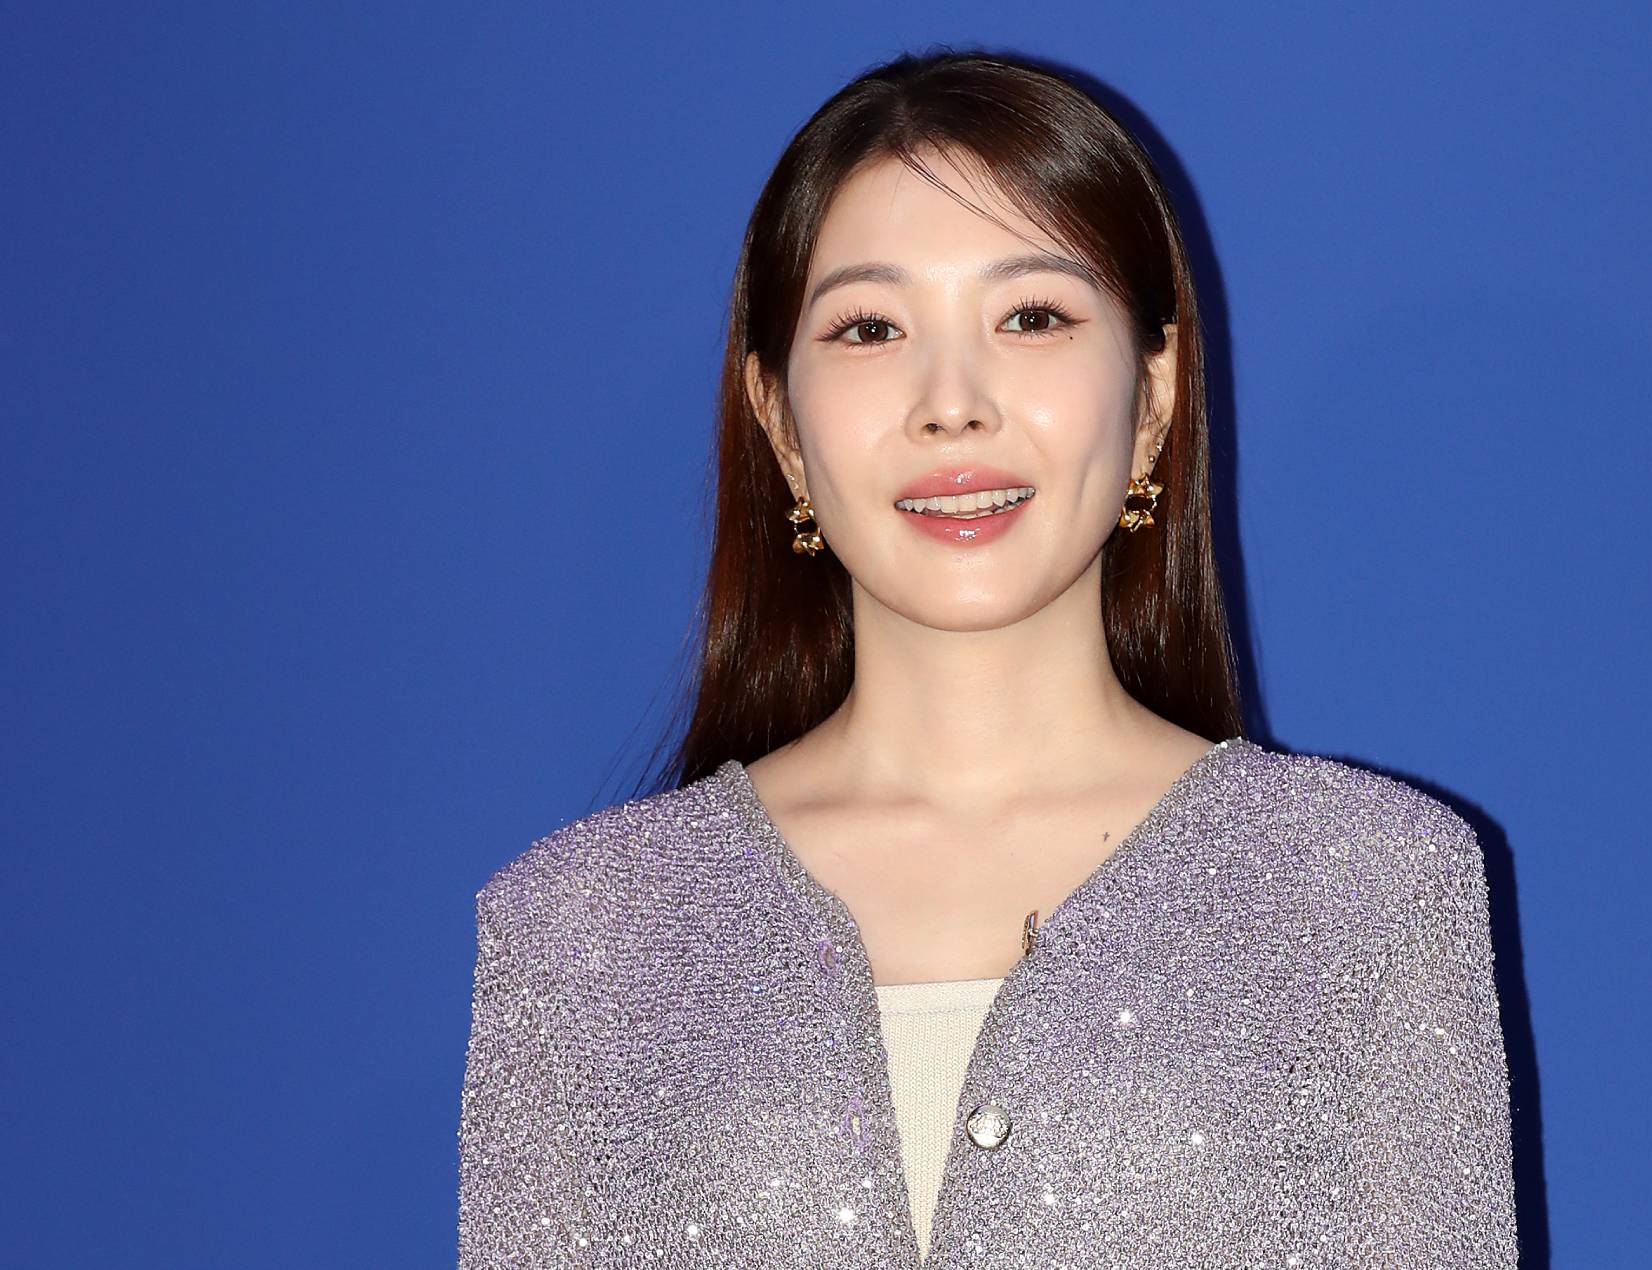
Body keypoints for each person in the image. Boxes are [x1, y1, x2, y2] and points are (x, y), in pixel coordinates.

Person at [458, 47, 1517, 1268]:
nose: (950, 401)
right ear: (780, 425)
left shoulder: (1363, 895)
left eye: (1031, 317)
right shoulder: (583, 936)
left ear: (1156, 396)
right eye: (869, 328)